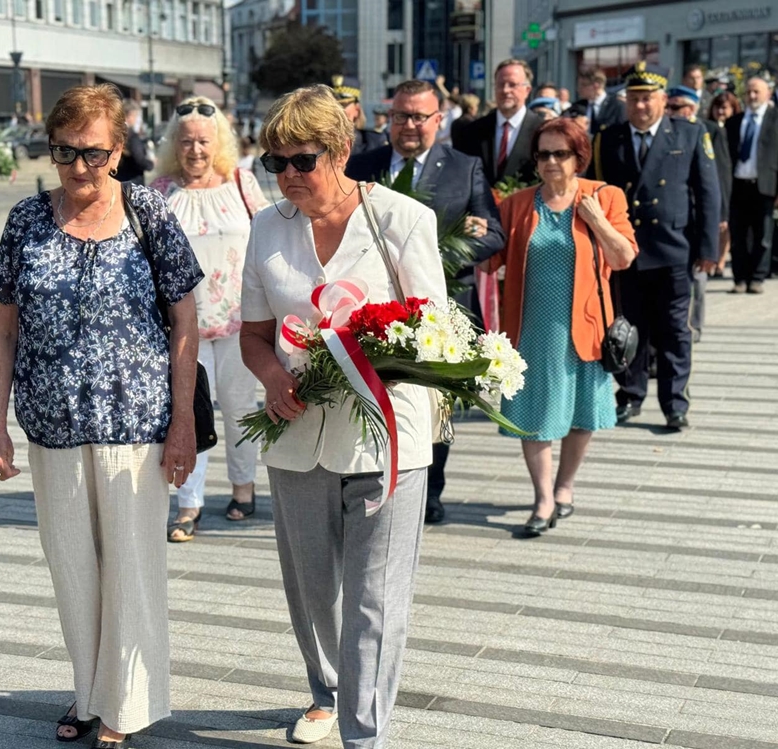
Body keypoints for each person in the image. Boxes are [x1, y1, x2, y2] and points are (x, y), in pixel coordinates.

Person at [0, 84, 203, 748]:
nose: (79, 167)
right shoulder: (27, 219)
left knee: (131, 567)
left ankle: (122, 707)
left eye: (94, 153)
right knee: (73, 567)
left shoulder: (146, 211)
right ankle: (88, 691)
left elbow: (186, 321)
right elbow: (4, 330)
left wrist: (183, 423)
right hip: (51, 426)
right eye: (65, 152)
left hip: (135, 424)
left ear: (119, 149)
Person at [241, 84, 447, 747]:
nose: (288, 175)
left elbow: (434, 333)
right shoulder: (267, 227)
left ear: (340, 151)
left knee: (375, 599)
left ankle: (365, 734)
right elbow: (254, 334)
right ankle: (326, 691)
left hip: (389, 436)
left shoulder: (402, 220)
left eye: (302, 160)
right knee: (313, 592)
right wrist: (274, 376)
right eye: (276, 162)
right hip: (296, 435)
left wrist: (372, 358)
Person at [346, 78, 505, 526]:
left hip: (443, 305)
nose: (410, 125)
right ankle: (371, 482)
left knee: (435, 402)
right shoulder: (362, 166)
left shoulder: (464, 168)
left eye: (419, 117)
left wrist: (436, 255)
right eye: (401, 116)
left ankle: (430, 492)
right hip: (375, 309)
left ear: (439, 119)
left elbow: (494, 233)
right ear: (389, 119)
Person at [484, 118, 637, 535]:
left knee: (583, 414)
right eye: (543, 154)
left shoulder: (605, 196)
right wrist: (474, 233)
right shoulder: (516, 204)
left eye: (560, 153)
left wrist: (597, 220)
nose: (550, 161)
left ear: (579, 157)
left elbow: (623, 258)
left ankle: (565, 487)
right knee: (534, 411)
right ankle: (543, 498)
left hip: (587, 327)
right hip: (532, 329)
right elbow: (490, 260)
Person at [150, 95, 268, 540]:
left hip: (241, 322)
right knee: (190, 412)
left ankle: (243, 488)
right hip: (184, 327)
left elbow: (267, 238)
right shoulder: (160, 191)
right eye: (186, 142)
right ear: (173, 144)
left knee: (240, 409)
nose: (195, 150)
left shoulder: (241, 182)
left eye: (203, 141)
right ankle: (189, 503)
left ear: (218, 143)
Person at [590, 62, 720, 430]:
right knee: (629, 327)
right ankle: (630, 395)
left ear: (663, 99)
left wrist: (708, 248)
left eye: (647, 98)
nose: (641, 105)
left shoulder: (689, 134)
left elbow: (708, 193)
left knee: (674, 330)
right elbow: (596, 193)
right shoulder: (607, 138)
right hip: (625, 251)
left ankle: (674, 404)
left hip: (673, 249)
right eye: (634, 99)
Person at [666, 85, 731, 342]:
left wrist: (721, 215)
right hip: (676, 221)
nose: (669, 112)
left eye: (675, 107)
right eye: (667, 106)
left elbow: (718, 177)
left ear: (691, 108)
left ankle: (693, 327)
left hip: (699, 217)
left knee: (698, 280)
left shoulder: (706, 130)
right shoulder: (665, 131)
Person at [452, 59, 543, 186]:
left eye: (512, 84)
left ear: (527, 90)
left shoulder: (542, 131)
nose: (505, 90)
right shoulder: (472, 131)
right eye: (500, 84)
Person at [725, 76, 778, 293]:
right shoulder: (734, 122)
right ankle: (739, 279)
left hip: (764, 185)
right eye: (748, 92)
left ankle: (757, 278)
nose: (752, 96)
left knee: (762, 236)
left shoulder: (775, 120)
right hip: (738, 185)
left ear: (768, 93)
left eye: (757, 92)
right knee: (738, 235)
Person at [710, 91, 742, 278]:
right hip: (716, 176)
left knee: (726, 224)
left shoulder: (736, 126)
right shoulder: (708, 127)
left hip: (733, 180)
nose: (720, 111)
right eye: (717, 107)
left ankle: (721, 261)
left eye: (724, 108)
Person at [332, 75, 381, 155]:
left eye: (343, 105)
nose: (337, 110)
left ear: (357, 110)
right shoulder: (316, 143)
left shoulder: (372, 144)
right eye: (332, 106)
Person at [575, 68, 626, 136]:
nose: (579, 89)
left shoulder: (617, 106)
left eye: (583, 85)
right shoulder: (577, 107)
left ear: (596, 86)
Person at [116, 99, 155, 184]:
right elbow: (139, 159)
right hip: (132, 181)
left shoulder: (114, 133)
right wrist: (151, 164)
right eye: (136, 116)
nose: (136, 119)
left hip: (117, 179)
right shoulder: (132, 136)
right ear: (129, 116)